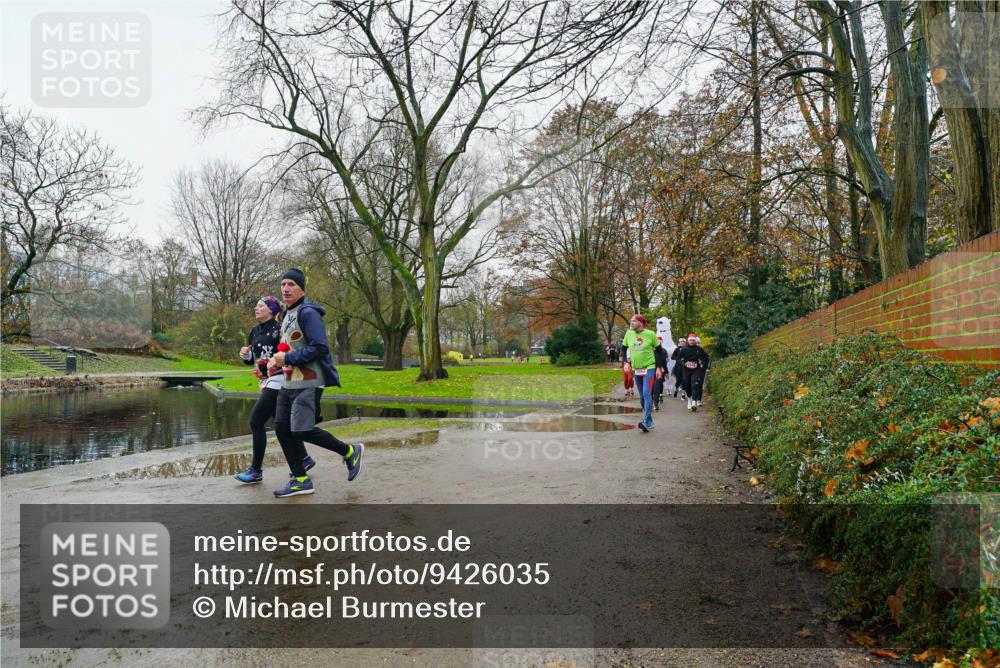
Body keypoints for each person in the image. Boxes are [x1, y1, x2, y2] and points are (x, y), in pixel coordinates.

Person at [268, 268, 364, 497]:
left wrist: (288, 358)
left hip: (310, 382)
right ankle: (301, 479)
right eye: (283, 285)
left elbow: (320, 347)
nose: (286, 289)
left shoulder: (308, 313)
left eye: (291, 284)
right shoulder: (286, 315)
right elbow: (290, 347)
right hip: (289, 382)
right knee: (282, 428)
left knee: (301, 430)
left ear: (301, 288)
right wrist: (276, 361)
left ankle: (350, 451)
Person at [234, 296, 314, 484]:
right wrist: (245, 355)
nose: (256, 308)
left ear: (271, 309)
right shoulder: (254, 331)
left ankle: (256, 470)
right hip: (264, 381)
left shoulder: (279, 329)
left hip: (279, 380)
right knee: (283, 424)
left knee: (256, 421)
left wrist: (279, 362)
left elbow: (289, 352)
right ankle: (304, 459)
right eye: (256, 305)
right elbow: (253, 358)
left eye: (260, 306)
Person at [622, 314, 657, 432]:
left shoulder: (650, 334)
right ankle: (650, 420)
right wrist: (625, 363)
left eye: (634, 321)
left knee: (647, 393)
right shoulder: (628, 333)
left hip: (650, 367)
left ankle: (646, 420)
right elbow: (623, 348)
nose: (631, 323)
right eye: (631, 321)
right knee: (642, 396)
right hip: (637, 369)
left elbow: (659, 350)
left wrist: (660, 367)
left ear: (641, 323)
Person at [677, 333, 710, 411]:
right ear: (688, 341)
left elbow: (706, 357)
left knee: (695, 384)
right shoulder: (684, 349)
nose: (692, 341)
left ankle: (694, 402)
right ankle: (689, 400)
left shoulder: (699, 349)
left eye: (693, 340)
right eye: (690, 340)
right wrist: (683, 363)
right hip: (686, 369)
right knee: (687, 384)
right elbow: (678, 358)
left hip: (696, 369)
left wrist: (702, 363)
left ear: (695, 341)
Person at [652, 335, 668, 411]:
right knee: (651, 388)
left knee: (657, 387)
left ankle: (656, 403)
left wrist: (666, 371)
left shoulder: (663, 351)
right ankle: (650, 402)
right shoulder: (649, 350)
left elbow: (664, 362)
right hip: (649, 370)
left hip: (659, 371)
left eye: (659, 341)